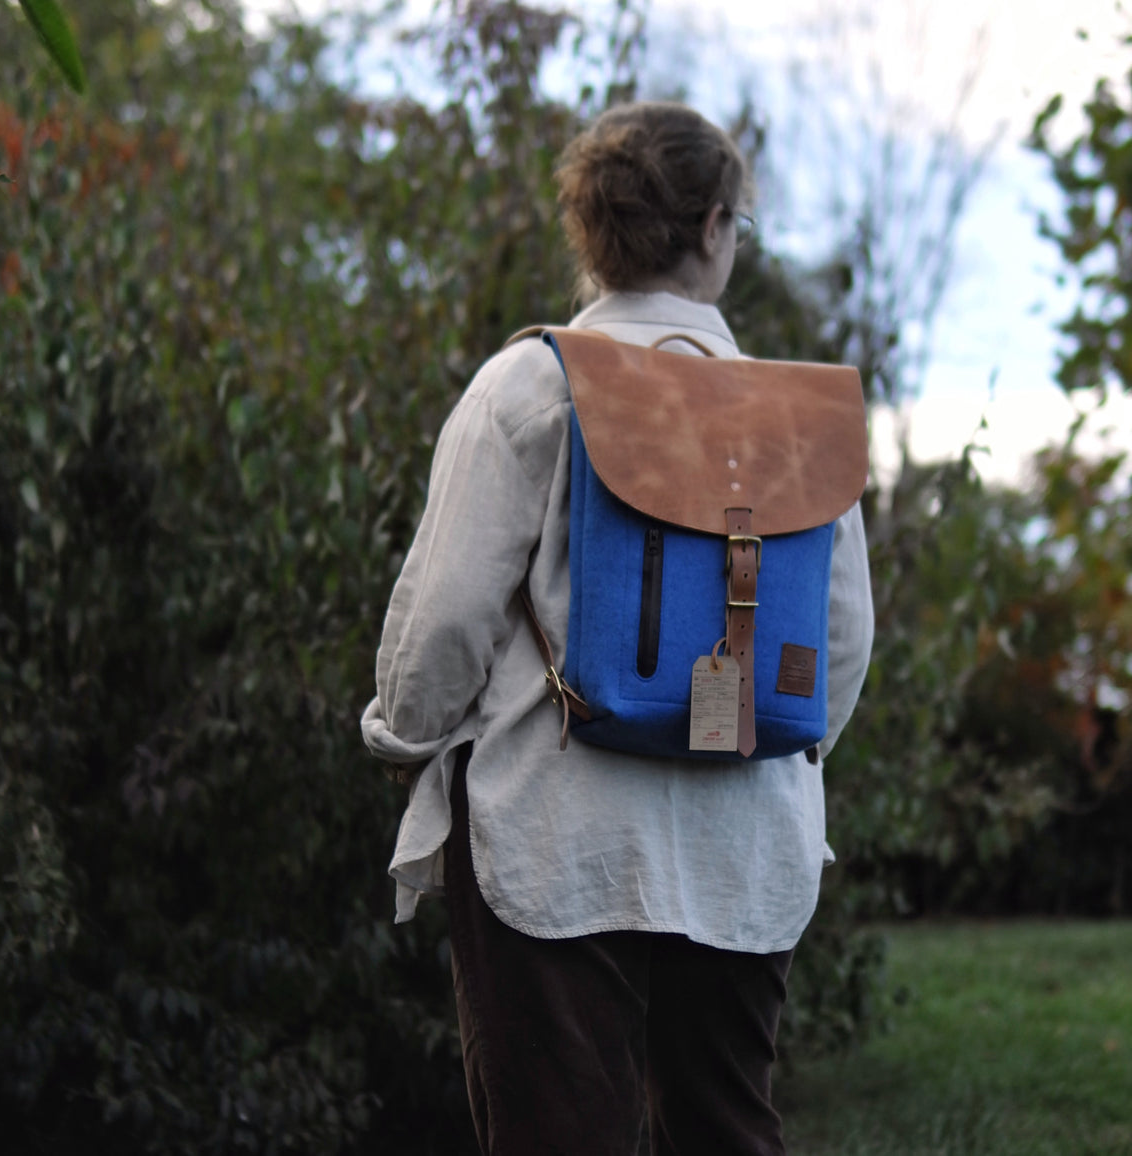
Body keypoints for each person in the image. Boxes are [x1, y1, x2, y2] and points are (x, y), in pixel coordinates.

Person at [362, 101, 875, 1156]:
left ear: (589, 230)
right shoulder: (797, 419)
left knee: (559, 1133)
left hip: (554, 826)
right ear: (715, 228)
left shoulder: (531, 383)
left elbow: (445, 614)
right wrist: (766, 744)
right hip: (744, 834)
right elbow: (843, 638)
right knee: (725, 1128)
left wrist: (403, 738)